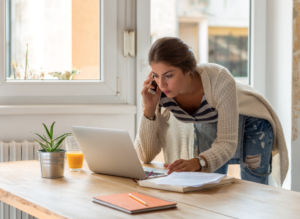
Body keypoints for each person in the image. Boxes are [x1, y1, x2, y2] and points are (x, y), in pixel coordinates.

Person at [134, 37, 289, 186]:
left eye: (168, 75)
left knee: (254, 190)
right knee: (209, 184)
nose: (161, 84)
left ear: (188, 69)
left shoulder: (219, 79)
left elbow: (227, 143)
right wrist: (149, 108)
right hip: (210, 120)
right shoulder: (156, 93)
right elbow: (145, 156)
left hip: (252, 121)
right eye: (155, 75)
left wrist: (197, 162)